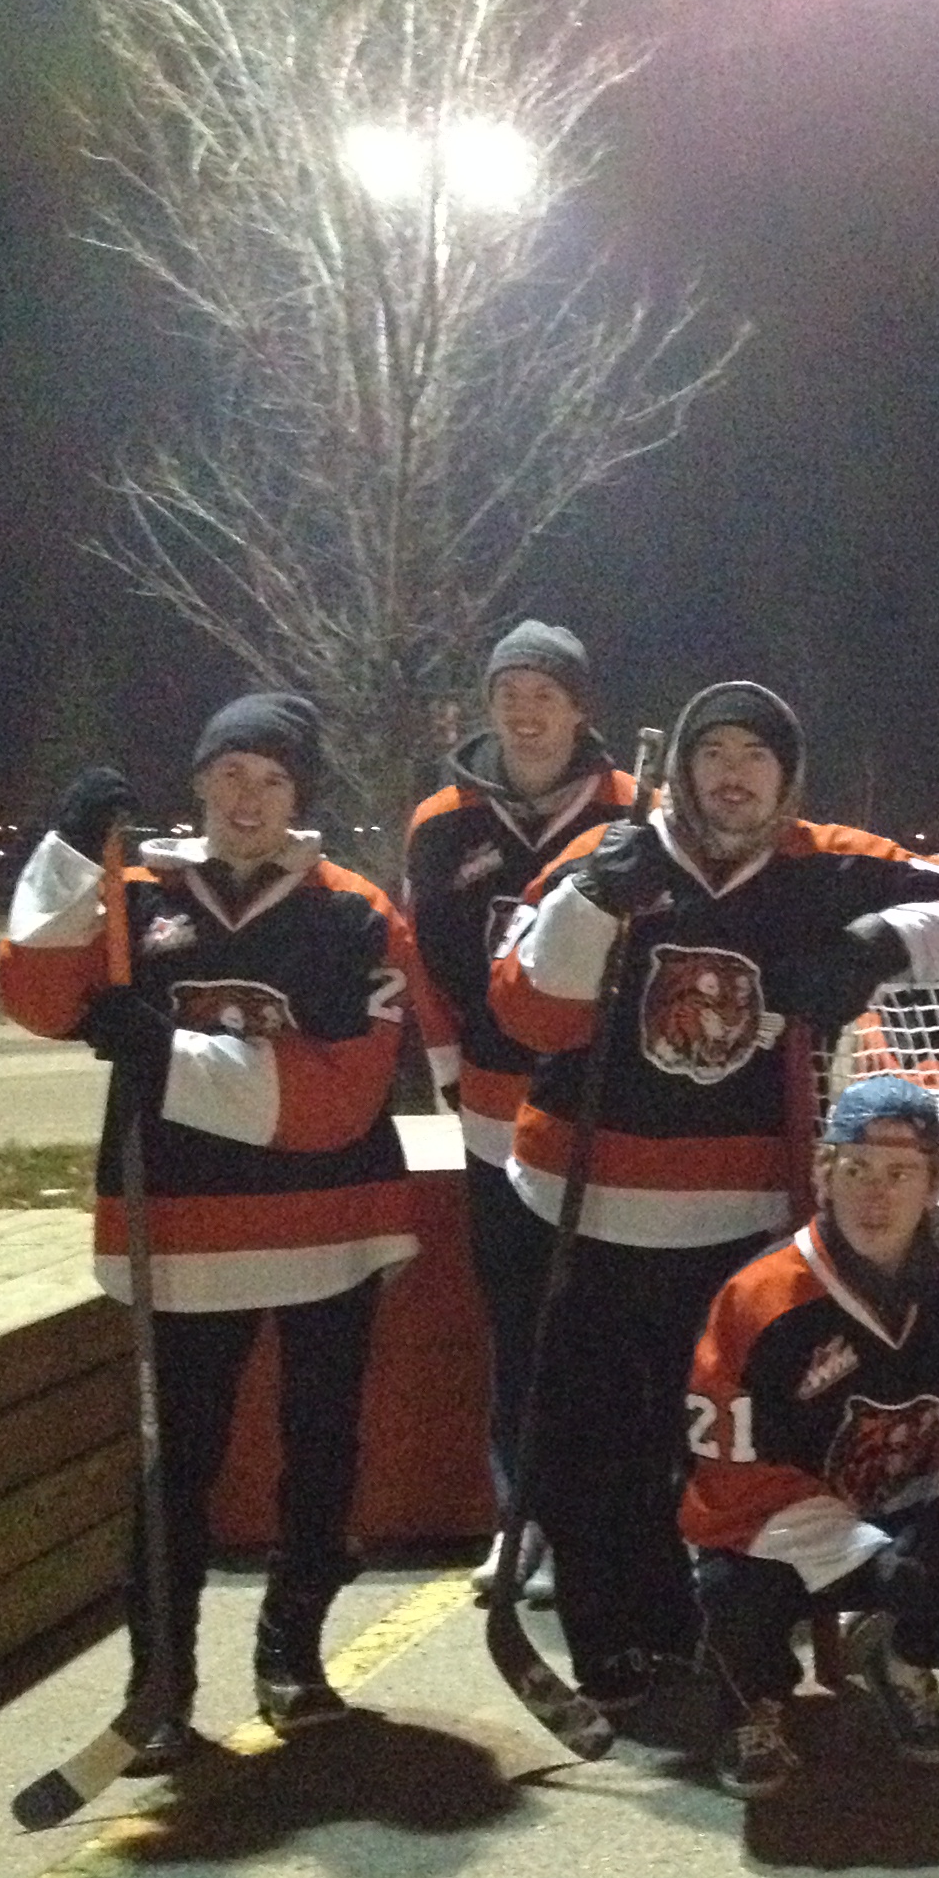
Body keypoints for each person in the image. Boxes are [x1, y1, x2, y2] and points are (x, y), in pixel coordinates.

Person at [492, 679, 939, 1721]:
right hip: (578, 1209)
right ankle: (613, 1644)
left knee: (710, 1447)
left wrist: (877, 945)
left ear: (786, 777)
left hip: (730, 1226)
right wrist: (590, 900)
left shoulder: (822, 866)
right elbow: (524, 1012)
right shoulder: (611, 854)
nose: (733, 775)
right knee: (591, 1447)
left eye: (755, 757)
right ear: (682, 767)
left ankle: (705, 1632)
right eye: (714, 753)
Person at [0, 694, 422, 1765]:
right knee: (175, 1465)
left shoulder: (354, 912)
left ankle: (292, 1654)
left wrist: (169, 1055)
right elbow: (37, 999)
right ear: (197, 782)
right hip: (184, 1231)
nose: (248, 798)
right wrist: (63, 856)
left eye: (272, 780)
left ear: (298, 797)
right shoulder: (135, 896)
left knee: (319, 1451)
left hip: (328, 1226)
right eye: (230, 773)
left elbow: (344, 1092)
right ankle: (161, 1681)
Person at [681, 1075, 939, 1799]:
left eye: (900, 1173)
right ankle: (752, 1702)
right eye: (856, 1168)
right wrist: (858, 1553)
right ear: (823, 1174)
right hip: (781, 1526)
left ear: (934, 1187)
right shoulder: (761, 1297)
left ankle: (899, 1655)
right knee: (731, 1581)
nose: (875, 1193)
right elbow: (731, 1474)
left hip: (904, 1506)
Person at [399, 619, 638, 1605]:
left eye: (546, 693)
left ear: (579, 708)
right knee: (519, 1320)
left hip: (608, 1117)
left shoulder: (633, 809)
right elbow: (427, 968)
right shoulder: (440, 823)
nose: (526, 711)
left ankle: (606, 1521)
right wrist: (454, 1081)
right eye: (510, 693)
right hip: (499, 1115)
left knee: (604, 1322)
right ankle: (523, 1515)